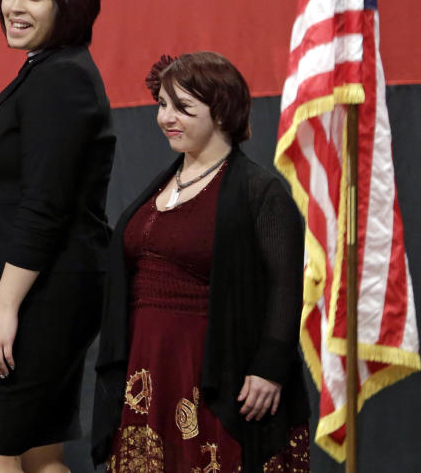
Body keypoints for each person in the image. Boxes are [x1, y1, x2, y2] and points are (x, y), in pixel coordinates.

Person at [92, 52, 310, 472]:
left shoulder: (261, 191)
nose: (165, 118)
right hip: (149, 368)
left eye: (183, 108)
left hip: (212, 373)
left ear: (222, 113)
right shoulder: (166, 182)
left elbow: (285, 286)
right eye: (163, 105)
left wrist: (269, 367)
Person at [0, 0, 116, 472]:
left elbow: (44, 207)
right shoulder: (50, 70)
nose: (13, 7)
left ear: (67, 0)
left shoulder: (61, 80)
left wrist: (2, 309)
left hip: (39, 297)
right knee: (38, 452)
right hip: (47, 293)